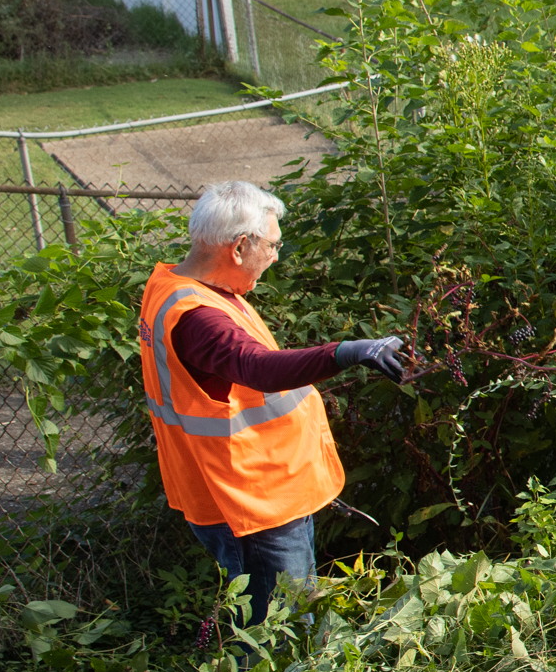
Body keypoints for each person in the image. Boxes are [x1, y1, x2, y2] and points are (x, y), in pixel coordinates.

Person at [137, 180, 406, 627]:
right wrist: (347, 351)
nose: (276, 257)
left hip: (259, 494)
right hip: (250, 502)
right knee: (279, 632)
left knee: (275, 621)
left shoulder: (178, 285)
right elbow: (256, 366)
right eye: (273, 245)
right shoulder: (199, 317)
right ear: (240, 246)